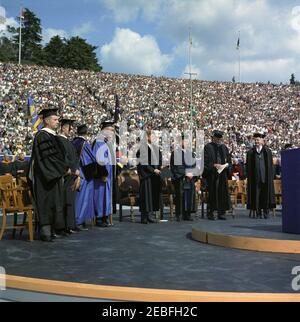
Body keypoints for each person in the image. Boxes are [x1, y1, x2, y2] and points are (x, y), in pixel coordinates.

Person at [29, 109, 69, 242]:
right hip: (45, 177)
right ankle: (45, 231)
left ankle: (52, 230)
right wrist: (64, 169)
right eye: (55, 119)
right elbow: (48, 158)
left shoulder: (52, 136)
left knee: (54, 202)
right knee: (46, 203)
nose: (57, 122)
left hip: (53, 175)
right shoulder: (42, 136)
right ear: (46, 121)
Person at [57, 119, 80, 234]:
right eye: (70, 128)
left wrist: (77, 170)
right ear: (64, 128)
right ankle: (65, 226)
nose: (71, 131)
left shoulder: (68, 141)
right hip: (66, 175)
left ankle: (70, 225)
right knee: (65, 201)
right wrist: (72, 170)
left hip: (73, 175)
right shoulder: (59, 141)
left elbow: (75, 157)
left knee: (70, 200)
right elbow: (64, 158)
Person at [203, 130, 231, 220]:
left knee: (222, 193)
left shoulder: (224, 148)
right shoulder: (208, 147)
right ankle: (211, 212)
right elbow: (205, 161)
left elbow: (229, 160)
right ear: (213, 138)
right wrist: (214, 165)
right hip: (212, 174)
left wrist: (225, 165)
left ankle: (221, 212)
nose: (218, 140)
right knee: (212, 193)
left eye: (219, 138)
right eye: (216, 138)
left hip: (222, 174)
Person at [246, 133, 275, 219]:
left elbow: (270, 166)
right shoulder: (251, 152)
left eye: (258, 140)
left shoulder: (267, 151)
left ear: (262, 141)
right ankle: (258, 212)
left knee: (265, 194)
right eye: (255, 140)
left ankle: (266, 212)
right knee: (256, 195)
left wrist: (270, 176)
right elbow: (248, 166)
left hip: (265, 177)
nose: (256, 141)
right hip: (255, 178)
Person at [136, 130, 162, 224]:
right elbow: (143, 162)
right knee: (146, 197)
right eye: (153, 136)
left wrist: (159, 168)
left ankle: (150, 215)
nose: (154, 138)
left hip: (155, 175)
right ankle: (144, 217)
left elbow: (159, 159)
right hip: (146, 175)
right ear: (147, 137)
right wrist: (153, 170)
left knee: (152, 196)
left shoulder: (156, 148)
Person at [72, 124, 95, 230]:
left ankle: (75, 220)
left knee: (76, 198)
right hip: (83, 173)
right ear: (87, 133)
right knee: (82, 198)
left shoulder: (73, 142)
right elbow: (89, 160)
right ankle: (79, 221)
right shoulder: (84, 144)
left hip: (74, 172)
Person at [92, 121, 114, 228]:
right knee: (100, 196)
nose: (112, 133)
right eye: (110, 130)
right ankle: (99, 217)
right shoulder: (99, 142)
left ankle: (105, 216)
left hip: (108, 175)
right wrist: (103, 174)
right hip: (102, 176)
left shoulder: (106, 143)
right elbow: (99, 160)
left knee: (105, 197)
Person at [170, 135, 197, 221]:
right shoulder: (175, 153)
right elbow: (176, 167)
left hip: (190, 179)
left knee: (189, 196)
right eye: (184, 141)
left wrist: (192, 173)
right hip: (180, 179)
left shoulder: (191, 153)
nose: (186, 143)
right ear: (180, 142)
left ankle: (188, 214)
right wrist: (186, 173)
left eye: (187, 141)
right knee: (180, 196)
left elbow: (194, 165)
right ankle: (179, 214)